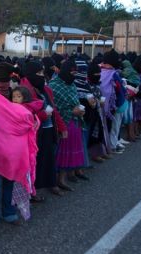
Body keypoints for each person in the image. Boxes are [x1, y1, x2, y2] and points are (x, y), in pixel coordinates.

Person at [0, 62, 37, 230]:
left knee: (9, 184)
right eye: (1, 87)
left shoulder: (9, 97)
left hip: (12, 152)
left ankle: (9, 213)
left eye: (7, 87)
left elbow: (25, 116)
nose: (5, 90)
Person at [21, 61, 67, 198]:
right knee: (34, 160)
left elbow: (54, 109)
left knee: (49, 157)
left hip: (49, 128)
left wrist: (62, 126)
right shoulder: (23, 90)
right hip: (34, 131)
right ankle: (32, 190)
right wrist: (42, 115)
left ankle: (50, 183)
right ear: (30, 74)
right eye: (38, 73)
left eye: (42, 72)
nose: (42, 76)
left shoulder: (46, 89)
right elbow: (24, 113)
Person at [50, 60, 85, 191]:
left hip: (74, 121)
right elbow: (54, 107)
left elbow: (75, 99)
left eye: (75, 72)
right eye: (71, 72)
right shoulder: (54, 86)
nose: (73, 74)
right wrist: (71, 111)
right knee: (60, 152)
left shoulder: (72, 84)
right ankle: (55, 180)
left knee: (69, 151)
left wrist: (79, 110)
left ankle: (63, 178)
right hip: (61, 124)